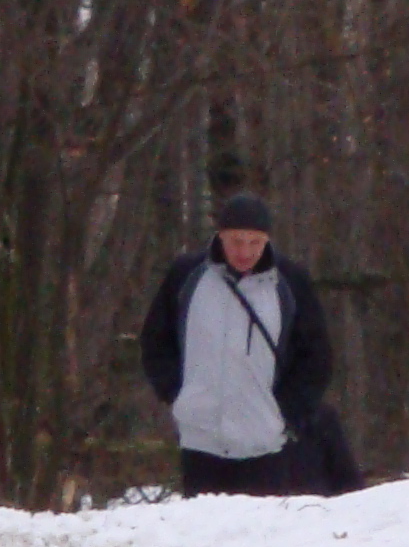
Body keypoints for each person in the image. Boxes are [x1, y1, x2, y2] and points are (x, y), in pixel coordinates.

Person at [140, 191, 351, 496]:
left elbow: (316, 357)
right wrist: (178, 394)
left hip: (264, 445)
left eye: (255, 242)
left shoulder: (290, 281)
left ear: (267, 240)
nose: (245, 252)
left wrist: (284, 413)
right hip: (200, 442)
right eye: (236, 241)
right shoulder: (186, 276)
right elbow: (156, 340)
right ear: (220, 236)